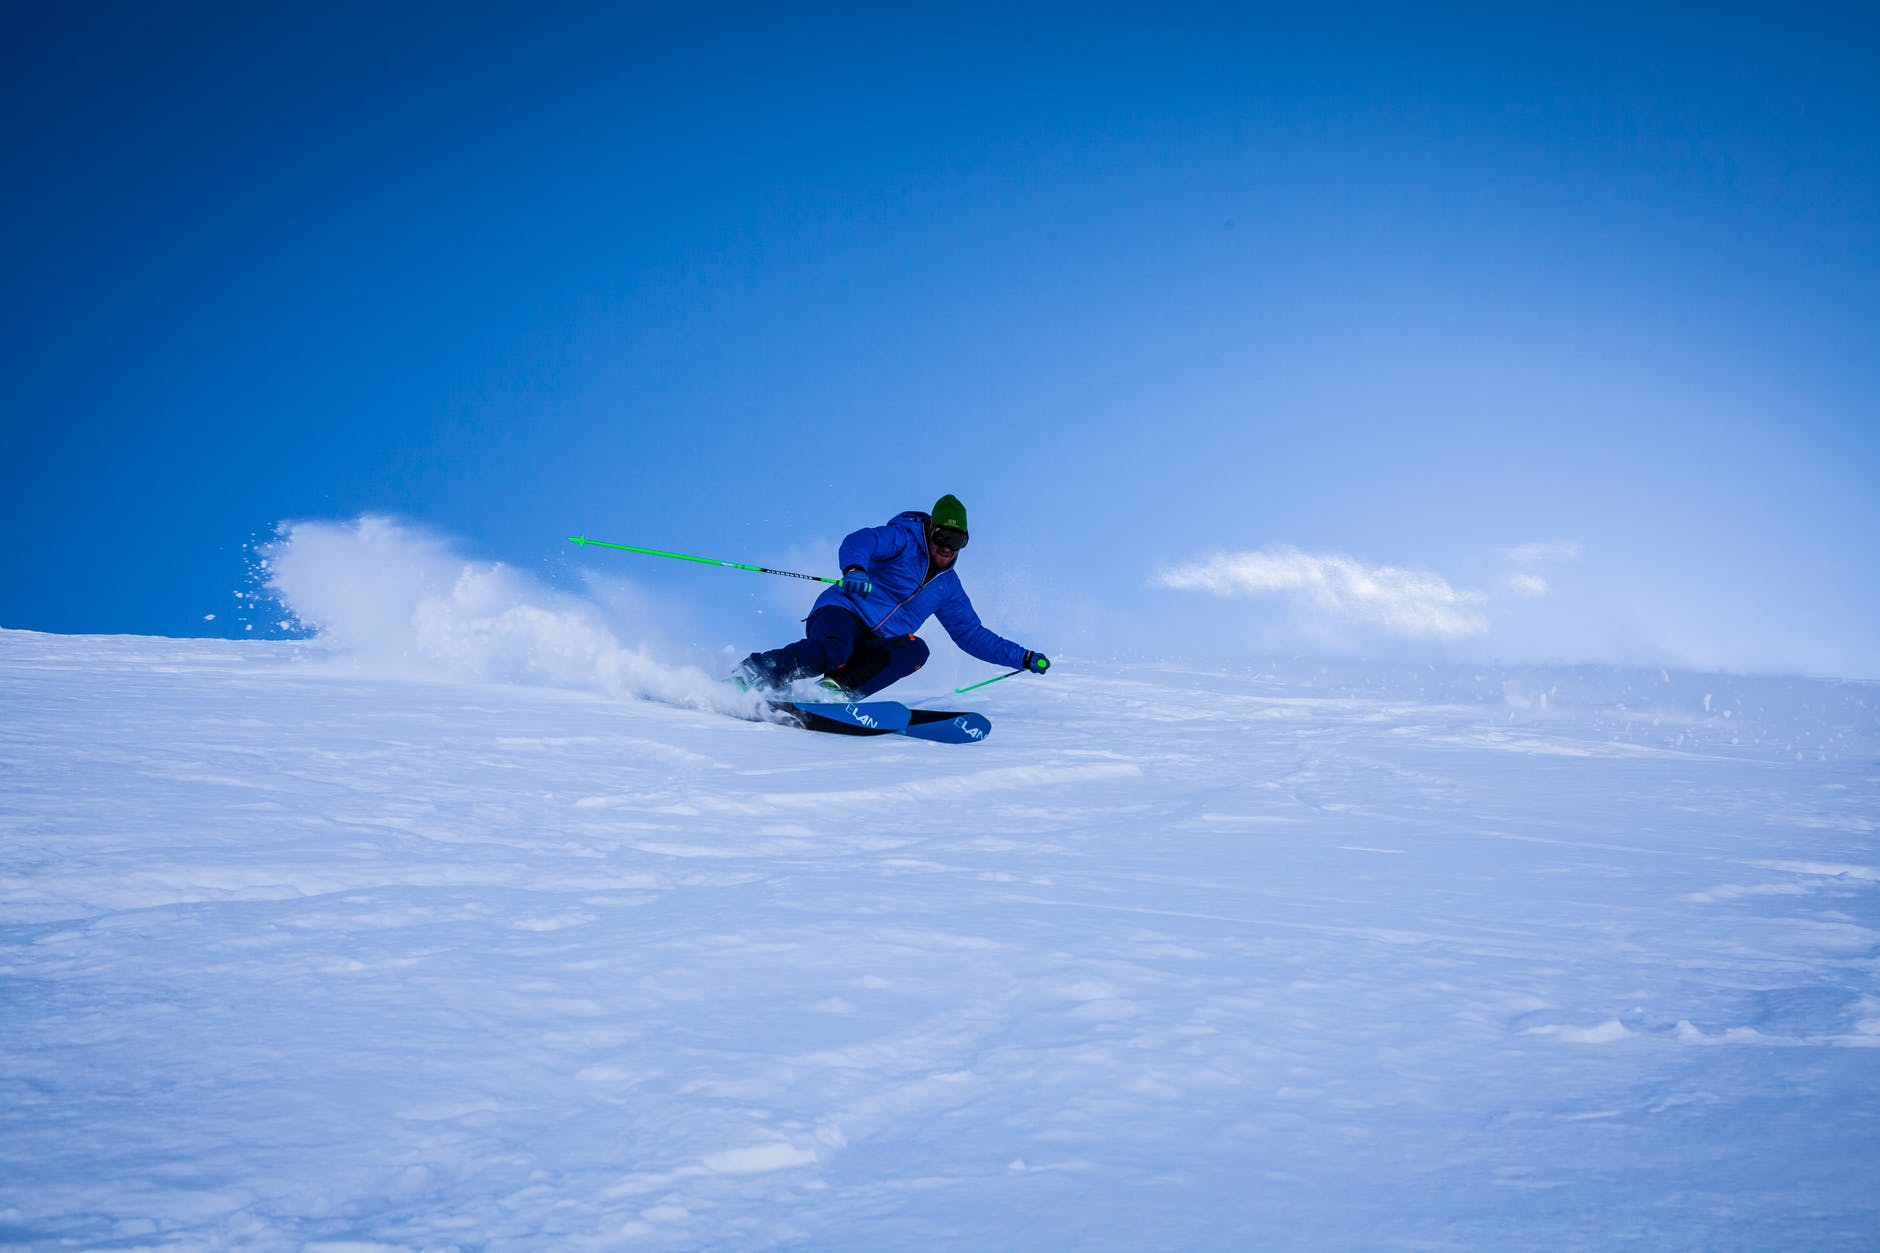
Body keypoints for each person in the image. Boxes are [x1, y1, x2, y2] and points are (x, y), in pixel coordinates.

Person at [735, 494, 1050, 699]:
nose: (947, 547)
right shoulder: (903, 538)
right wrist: (856, 569)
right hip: (843, 611)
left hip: (877, 639)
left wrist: (1022, 657)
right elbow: (862, 540)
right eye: (943, 536)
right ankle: (757, 672)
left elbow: (973, 635)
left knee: (916, 650)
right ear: (930, 531)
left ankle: (835, 692)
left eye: (957, 541)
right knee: (835, 649)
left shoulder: (948, 588)